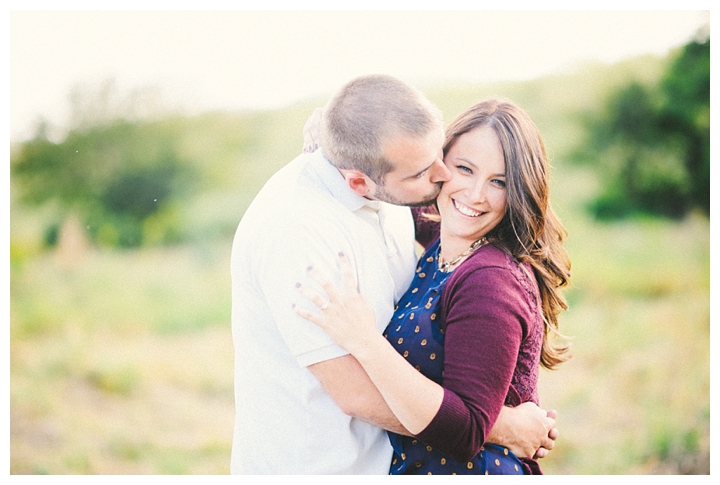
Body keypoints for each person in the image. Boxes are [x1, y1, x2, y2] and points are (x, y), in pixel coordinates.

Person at [231, 75, 557, 474]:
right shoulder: (300, 228)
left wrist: (484, 423)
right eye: (461, 168)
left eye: (499, 181)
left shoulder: (483, 271)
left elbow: (468, 422)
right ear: (359, 182)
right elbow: (353, 391)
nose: (444, 178)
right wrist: (504, 425)